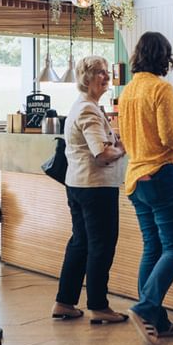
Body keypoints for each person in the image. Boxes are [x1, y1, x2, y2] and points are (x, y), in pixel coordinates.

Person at [119, 32, 173, 345]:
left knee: (153, 247)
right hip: (163, 174)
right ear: (163, 58)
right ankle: (144, 309)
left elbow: (130, 136)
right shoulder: (160, 88)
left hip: (136, 177)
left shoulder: (127, 92)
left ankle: (157, 322)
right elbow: (169, 137)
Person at [53, 56, 128, 324]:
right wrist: (122, 146)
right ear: (86, 78)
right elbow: (102, 154)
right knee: (101, 246)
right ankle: (98, 306)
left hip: (78, 185)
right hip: (96, 187)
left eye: (106, 72)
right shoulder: (88, 109)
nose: (105, 77)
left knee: (81, 243)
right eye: (99, 73)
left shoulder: (83, 106)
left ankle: (64, 302)